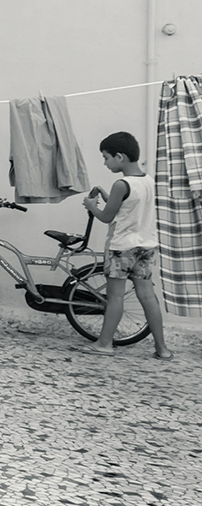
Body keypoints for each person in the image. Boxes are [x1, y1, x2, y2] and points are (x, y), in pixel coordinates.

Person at [81, 131, 173, 359]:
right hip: (146, 246)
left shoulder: (121, 184)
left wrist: (91, 206)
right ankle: (162, 348)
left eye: (106, 157)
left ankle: (104, 343)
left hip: (121, 248)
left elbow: (106, 217)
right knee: (148, 296)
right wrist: (108, 196)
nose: (105, 163)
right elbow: (130, 206)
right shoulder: (149, 180)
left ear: (120, 156)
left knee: (115, 297)